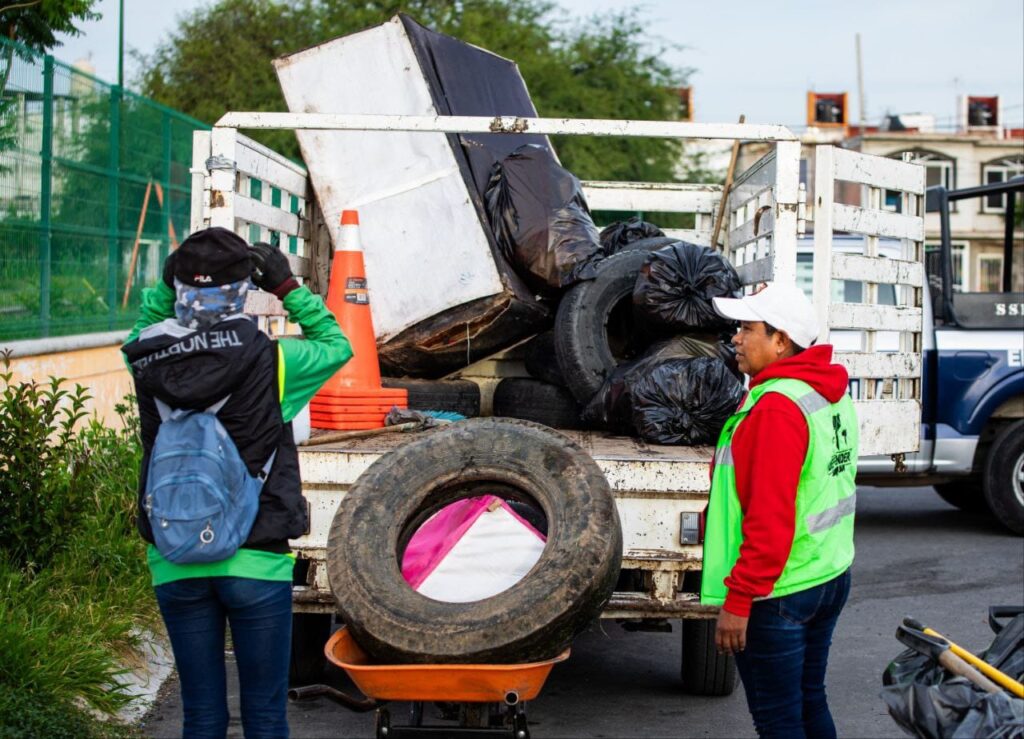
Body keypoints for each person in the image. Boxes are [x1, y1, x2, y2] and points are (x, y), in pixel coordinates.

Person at [122, 227, 352, 738]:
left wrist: (169, 283)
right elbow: (338, 345)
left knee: (201, 716)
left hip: (174, 556)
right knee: (265, 717)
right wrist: (288, 287)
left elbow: (144, 324)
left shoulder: (142, 357)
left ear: (178, 285)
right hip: (257, 555)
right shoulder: (274, 361)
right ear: (243, 289)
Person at [700, 282, 858, 739]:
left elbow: (769, 518)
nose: (735, 338)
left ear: (781, 340)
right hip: (827, 573)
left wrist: (739, 599)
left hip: (780, 592)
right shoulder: (829, 393)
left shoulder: (777, 408)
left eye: (747, 328)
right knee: (810, 702)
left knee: (779, 722)